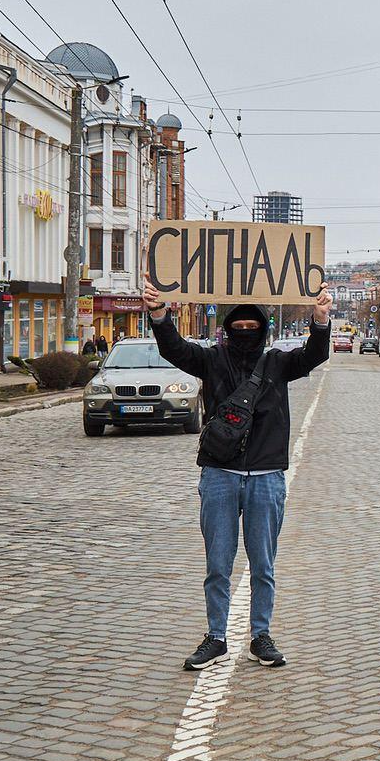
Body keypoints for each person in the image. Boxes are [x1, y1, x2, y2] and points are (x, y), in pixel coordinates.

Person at [142, 276, 331, 671]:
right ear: (227, 330)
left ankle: (260, 636)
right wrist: (158, 312)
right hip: (219, 476)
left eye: (252, 328)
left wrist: (320, 318)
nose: (245, 332)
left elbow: (313, 355)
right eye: (238, 327)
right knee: (218, 563)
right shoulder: (212, 360)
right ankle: (216, 637)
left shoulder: (278, 363)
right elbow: (175, 349)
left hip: (266, 478)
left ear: (264, 331)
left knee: (263, 564)